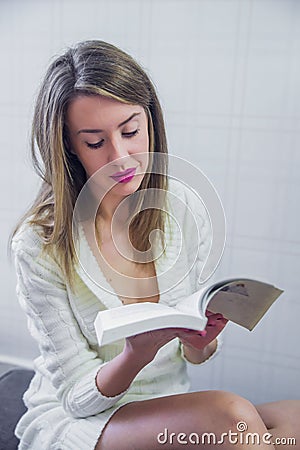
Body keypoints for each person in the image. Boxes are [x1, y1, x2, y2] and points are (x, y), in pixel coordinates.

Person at [10, 40, 299, 450]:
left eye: (131, 131)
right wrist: (134, 355)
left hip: (165, 404)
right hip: (81, 418)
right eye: (95, 142)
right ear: (69, 147)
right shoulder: (39, 246)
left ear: (150, 121)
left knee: (294, 421)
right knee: (232, 416)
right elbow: (75, 398)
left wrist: (201, 341)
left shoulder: (181, 212)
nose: (121, 156)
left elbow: (194, 357)